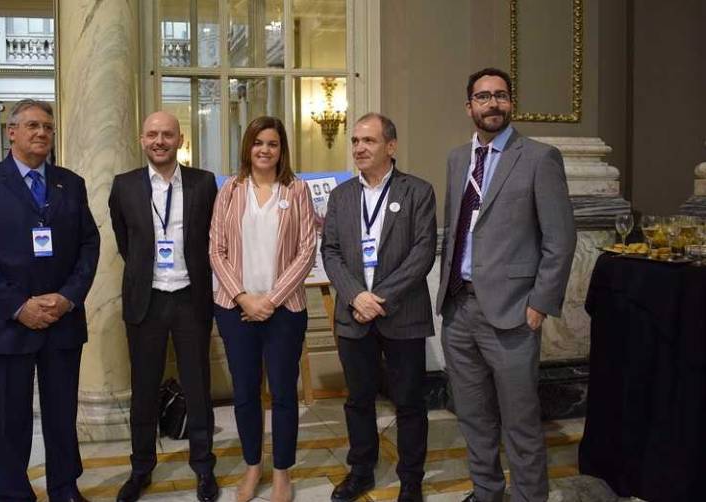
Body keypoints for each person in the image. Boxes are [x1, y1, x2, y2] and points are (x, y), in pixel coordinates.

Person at [436, 68, 576, 502]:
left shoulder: (538, 156)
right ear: (469, 107)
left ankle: (530, 496)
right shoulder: (459, 159)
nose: (492, 104)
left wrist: (540, 303)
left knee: (519, 421)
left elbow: (560, 238)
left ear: (511, 102)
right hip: (459, 309)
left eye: (500, 96)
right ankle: (487, 492)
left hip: (514, 312)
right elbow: (455, 228)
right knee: (474, 417)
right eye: (483, 97)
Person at [0, 98, 100, 502]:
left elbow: (89, 245)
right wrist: (20, 306)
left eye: (48, 127)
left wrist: (68, 298)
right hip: (8, 325)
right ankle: (14, 492)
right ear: (12, 132)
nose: (42, 133)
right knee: (9, 419)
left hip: (62, 321)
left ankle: (64, 487)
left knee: (61, 416)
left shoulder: (70, 183)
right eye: (33, 126)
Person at [320, 113, 437, 502]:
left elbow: (422, 254)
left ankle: (411, 480)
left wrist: (379, 299)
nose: (359, 148)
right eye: (355, 141)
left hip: (402, 314)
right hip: (354, 316)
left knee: (409, 402)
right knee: (358, 400)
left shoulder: (418, 192)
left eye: (368, 141)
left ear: (391, 146)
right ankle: (361, 471)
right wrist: (357, 296)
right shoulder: (341, 196)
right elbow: (331, 252)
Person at [108, 111, 219, 502]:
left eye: (167, 134)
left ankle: (204, 468)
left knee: (198, 386)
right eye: (153, 134)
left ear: (180, 139)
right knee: (143, 389)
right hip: (146, 301)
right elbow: (126, 241)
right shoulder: (124, 187)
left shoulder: (204, 183)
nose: (160, 141)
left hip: (191, 298)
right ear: (142, 140)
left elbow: (212, 237)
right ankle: (141, 469)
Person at [209, 116, 316, 502]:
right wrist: (243, 297)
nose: (265, 150)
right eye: (258, 143)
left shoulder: (298, 189)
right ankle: (253, 466)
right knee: (245, 393)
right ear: (248, 148)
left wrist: (270, 300)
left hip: (284, 310)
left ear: (282, 149)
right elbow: (215, 250)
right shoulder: (230, 191)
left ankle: (283, 472)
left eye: (272, 143)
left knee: (285, 392)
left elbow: (307, 251)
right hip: (236, 310)